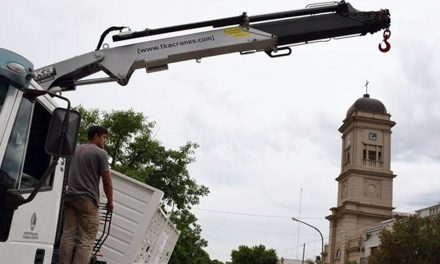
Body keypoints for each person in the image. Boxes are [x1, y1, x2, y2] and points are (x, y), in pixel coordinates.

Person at [59, 125, 113, 264]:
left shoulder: (75, 149)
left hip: (70, 197)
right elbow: (107, 181)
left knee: (67, 235)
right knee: (86, 239)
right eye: (104, 137)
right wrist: (110, 201)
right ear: (96, 136)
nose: (105, 141)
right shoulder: (100, 154)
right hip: (87, 200)